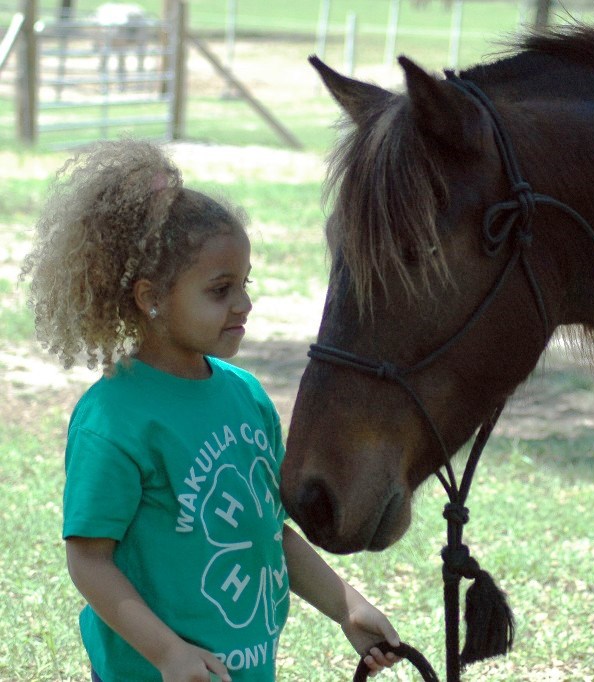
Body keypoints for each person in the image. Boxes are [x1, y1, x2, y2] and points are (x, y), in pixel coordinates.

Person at [21, 139, 401, 682]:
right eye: (220, 290)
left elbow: (266, 529)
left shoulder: (246, 396)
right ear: (150, 296)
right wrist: (168, 654)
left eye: (244, 285)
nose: (243, 304)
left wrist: (347, 606)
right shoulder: (114, 420)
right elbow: (89, 561)